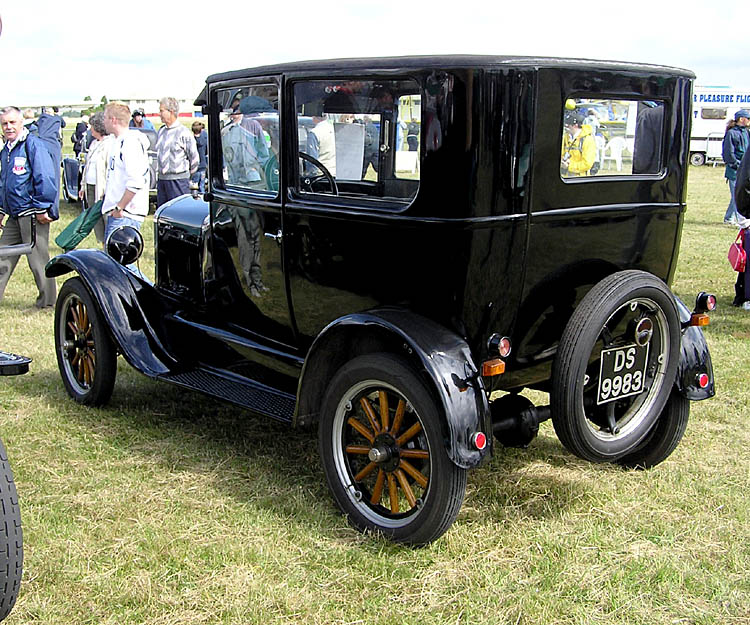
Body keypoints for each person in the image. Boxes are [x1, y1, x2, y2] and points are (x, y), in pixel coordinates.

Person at [0, 106, 58, 308]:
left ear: (21, 122)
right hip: (13, 215)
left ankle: (48, 303)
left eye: (12, 122)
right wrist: (1, 210)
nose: (8, 127)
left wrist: (42, 207)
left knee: (38, 260)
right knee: (2, 256)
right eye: (4, 123)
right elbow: (3, 182)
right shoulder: (6, 150)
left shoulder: (33, 145)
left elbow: (45, 176)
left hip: (32, 213)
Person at [101, 102, 150, 271]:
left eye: (105, 117)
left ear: (113, 120)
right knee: (118, 266)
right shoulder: (117, 141)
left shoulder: (129, 143)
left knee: (123, 266)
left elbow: (136, 181)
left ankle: (148, 295)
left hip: (125, 214)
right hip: (119, 211)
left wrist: (119, 207)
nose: (104, 122)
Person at [155, 97, 198, 207]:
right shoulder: (161, 131)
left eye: (161, 111)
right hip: (162, 181)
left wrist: (186, 174)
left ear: (171, 112)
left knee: (179, 212)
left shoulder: (183, 132)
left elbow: (194, 158)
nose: (159, 114)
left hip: (178, 182)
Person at [78, 111, 113, 243]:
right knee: (94, 217)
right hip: (90, 186)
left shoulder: (110, 144)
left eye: (92, 126)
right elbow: (87, 167)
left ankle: (109, 243)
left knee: (105, 216)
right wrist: (83, 186)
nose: (90, 129)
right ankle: (101, 241)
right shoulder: (93, 144)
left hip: (103, 188)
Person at [721, 109, 750, 225]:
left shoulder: (747, 132)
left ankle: (730, 217)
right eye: (748, 118)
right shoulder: (731, 133)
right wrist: (738, 166)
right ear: (742, 119)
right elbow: (728, 153)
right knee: (736, 196)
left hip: (745, 171)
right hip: (735, 170)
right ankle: (732, 219)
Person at [561, 110, 596, 176]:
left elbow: (587, 164)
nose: (566, 127)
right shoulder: (566, 137)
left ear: (575, 125)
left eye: (568, 125)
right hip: (565, 176)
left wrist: (569, 165)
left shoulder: (587, 140)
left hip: (580, 178)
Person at [191, 121, 207, 192]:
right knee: (202, 185)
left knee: (194, 185)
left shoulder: (192, 140)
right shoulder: (204, 140)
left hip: (195, 167)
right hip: (203, 165)